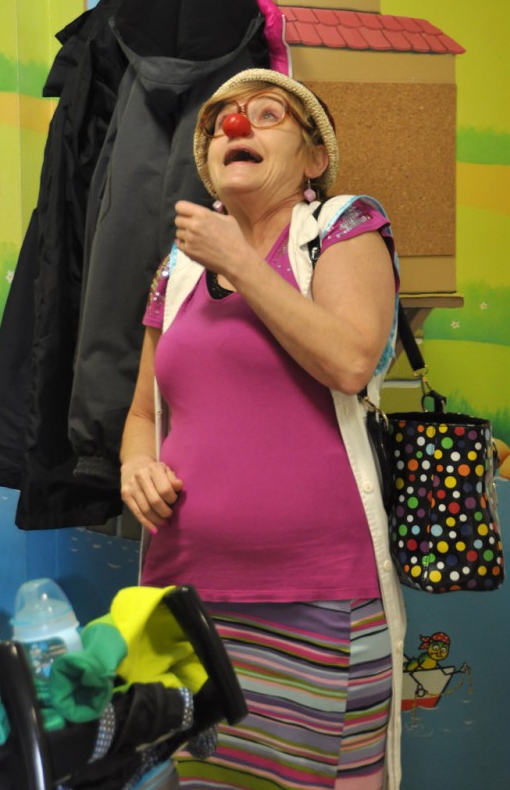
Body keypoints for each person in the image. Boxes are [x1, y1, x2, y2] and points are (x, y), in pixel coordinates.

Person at [120, 68, 405, 790]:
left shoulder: (344, 227)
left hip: (317, 597)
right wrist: (135, 467)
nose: (234, 125)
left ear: (314, 158)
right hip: (184, 596)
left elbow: (349, 361)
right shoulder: (179, 266)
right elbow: (145, 412)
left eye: (267, 113)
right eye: (221, 118)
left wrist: (241, 262)